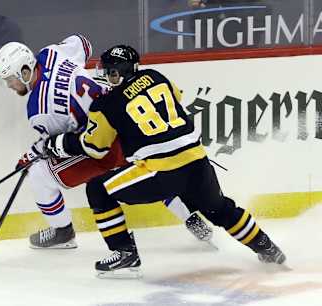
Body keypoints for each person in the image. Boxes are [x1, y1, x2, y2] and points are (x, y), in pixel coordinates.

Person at [43, 44, 286, 278]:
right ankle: (269, 249)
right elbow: (176, 98)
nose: (106, 76)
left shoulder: (106, 104)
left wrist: (61, 143)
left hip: (161, 171)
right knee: (220, 209)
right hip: (198, 161)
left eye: (109, 72)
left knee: (98, 189)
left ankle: (125, 252)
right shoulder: (156, 76)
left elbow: (95, 147)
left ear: (117, 73)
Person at [0, 36, 214, 249]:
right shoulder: (51, 53)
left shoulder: (38, 110)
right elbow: (84, 43)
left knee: (40, 174)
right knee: (145, 167)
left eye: (11, 79)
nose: (10, 86)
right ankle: (190, 217)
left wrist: (32, 155)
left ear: (25, 71)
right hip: (129, 119)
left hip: (102, 138)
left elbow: (59, 146)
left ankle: (63, 232)